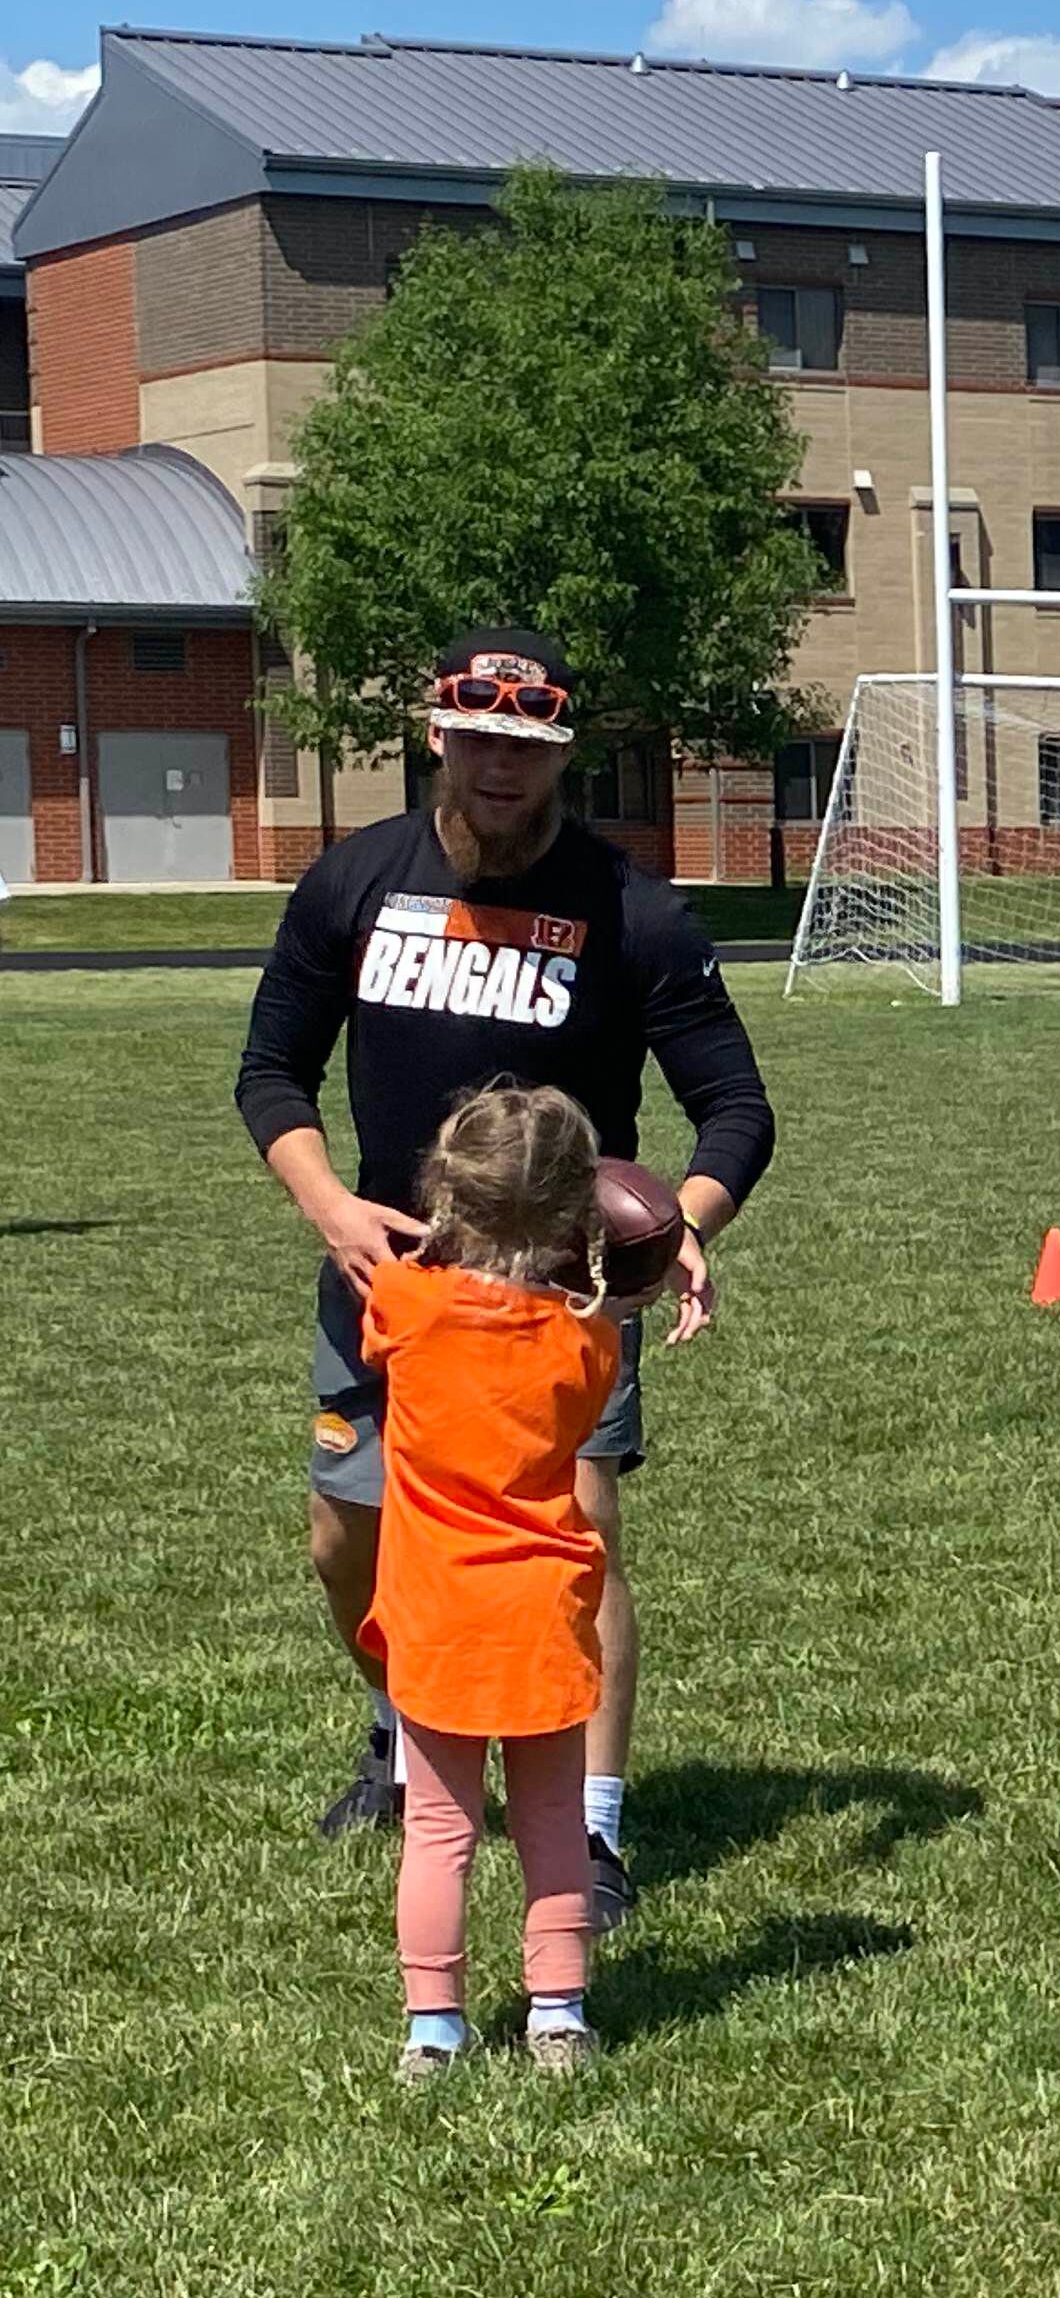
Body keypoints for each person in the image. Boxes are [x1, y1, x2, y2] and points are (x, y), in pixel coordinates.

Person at [236, 627, 779, 1928]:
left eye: (526, 745)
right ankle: (400, 1727)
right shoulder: (354, 882)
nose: (499, 765)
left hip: (563, 1288)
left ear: (561, 753)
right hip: (392, 1280)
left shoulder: (632, 911)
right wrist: (328, 1207)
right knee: (342, 1536)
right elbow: (271, 1069)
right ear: (436, 733)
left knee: (574, 1537)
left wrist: (679, 1226)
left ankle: (591, 1832)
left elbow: (736, 1111)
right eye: (478, 737)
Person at [362, 1083, 639, 2080]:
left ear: (446, 1192)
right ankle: (557, 2012)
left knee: (440, 1830)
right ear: (579, 1213)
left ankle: (434, 2024)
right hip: (541, 1612)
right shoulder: (588, 1340)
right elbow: (590, 1332)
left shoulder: (406, 1307)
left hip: (438, 1613)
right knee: (554, 1823)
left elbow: (387, 1305)